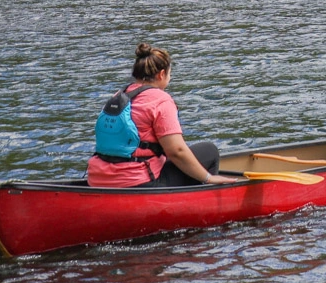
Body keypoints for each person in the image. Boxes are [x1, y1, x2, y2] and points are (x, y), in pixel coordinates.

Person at [87, 43, 239, 189]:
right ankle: (202, 204)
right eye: (169, 74)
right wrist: (208, 178)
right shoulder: (161, 99)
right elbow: (176, 151)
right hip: (138, 182)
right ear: (161, 74)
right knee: (209, 150)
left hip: (97, 179)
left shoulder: (119, 96)